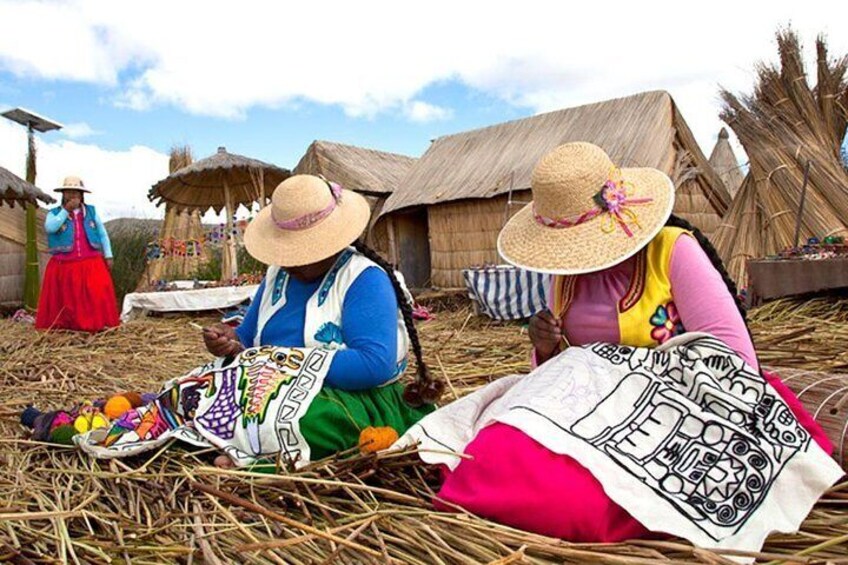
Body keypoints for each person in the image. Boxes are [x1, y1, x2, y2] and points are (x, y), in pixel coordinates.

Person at [416, 143, 835, 542]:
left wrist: (640, 378)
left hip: (674, 404)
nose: (575, 256)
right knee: (494, 458)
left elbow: (733, 358)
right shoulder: (564, 274)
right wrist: (545, 348)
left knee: (577, 506)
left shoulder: (674, 252)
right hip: (588, 411)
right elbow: (557, 376)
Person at [202, 174, 443, 467]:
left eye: (304, 251)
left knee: (312, 420)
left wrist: (283, 364)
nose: (293, 262)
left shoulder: (364, 279)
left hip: (346, 398)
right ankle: (247, 444)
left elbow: (374, 364)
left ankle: (254, 455)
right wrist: (229, 341)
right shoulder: (277, 275)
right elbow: (247, 336)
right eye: (287, 251)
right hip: (267, 390)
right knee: (199, 393)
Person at [36, 176, 119, 332]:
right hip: (64, 264)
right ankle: (67, 326)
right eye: (69, 192)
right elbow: (50, 228)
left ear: (82, 195)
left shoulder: (91, 212)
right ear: (63, 194)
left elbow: (102, 234)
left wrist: (108, 255)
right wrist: (65, 210)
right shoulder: (54, 213)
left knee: (97, 292)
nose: (73, 195)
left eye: (76, 192)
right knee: (66, 298)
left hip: (91, 262)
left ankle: (97, 324)